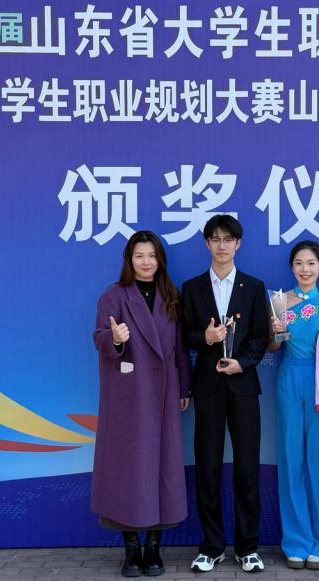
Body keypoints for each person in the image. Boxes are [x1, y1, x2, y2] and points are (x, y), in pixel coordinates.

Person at [91, 231, 192, 578]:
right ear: (129, 260)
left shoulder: (171, 296)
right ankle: (131, 547)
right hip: (128, 396)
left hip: (164, 392)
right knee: (129, 469)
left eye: (152, 255)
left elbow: (179, 348)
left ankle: (154, 547)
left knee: (162, 466)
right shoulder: (114, 295)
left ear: (160, 260)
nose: (146, 262)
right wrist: (114, 339)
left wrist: (184, 386)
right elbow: (99, 337)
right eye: (139, 256)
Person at [180, 215, 269, 573]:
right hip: (207, 387)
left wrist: (242, 364)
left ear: (238, 244)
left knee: (247, 469)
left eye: (228, 239)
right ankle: (212, 546)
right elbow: (184, 336)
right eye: (215, 239)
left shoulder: (254, 286)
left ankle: (247, 547)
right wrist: (205, 338)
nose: (221, 245)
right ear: (207, 243)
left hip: (243, 386)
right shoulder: (192, 288)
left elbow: (261, 337)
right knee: (208, 468)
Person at [267, 240, 319, 570]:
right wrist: (276, 331)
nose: (305, 269)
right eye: (299, 263)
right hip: (288, 378)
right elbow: (274, 347)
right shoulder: (279, 301)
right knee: (291, 460)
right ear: (291, 267)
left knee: (317, 460)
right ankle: (296, 542)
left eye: (311, 263)